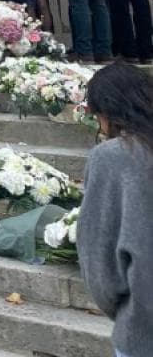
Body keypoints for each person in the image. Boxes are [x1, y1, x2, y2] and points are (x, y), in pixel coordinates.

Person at [76, 63, 153, 357]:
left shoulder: (113, 157)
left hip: (143, 328)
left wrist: (123, 308)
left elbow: (100, 259)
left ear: (105, 113)